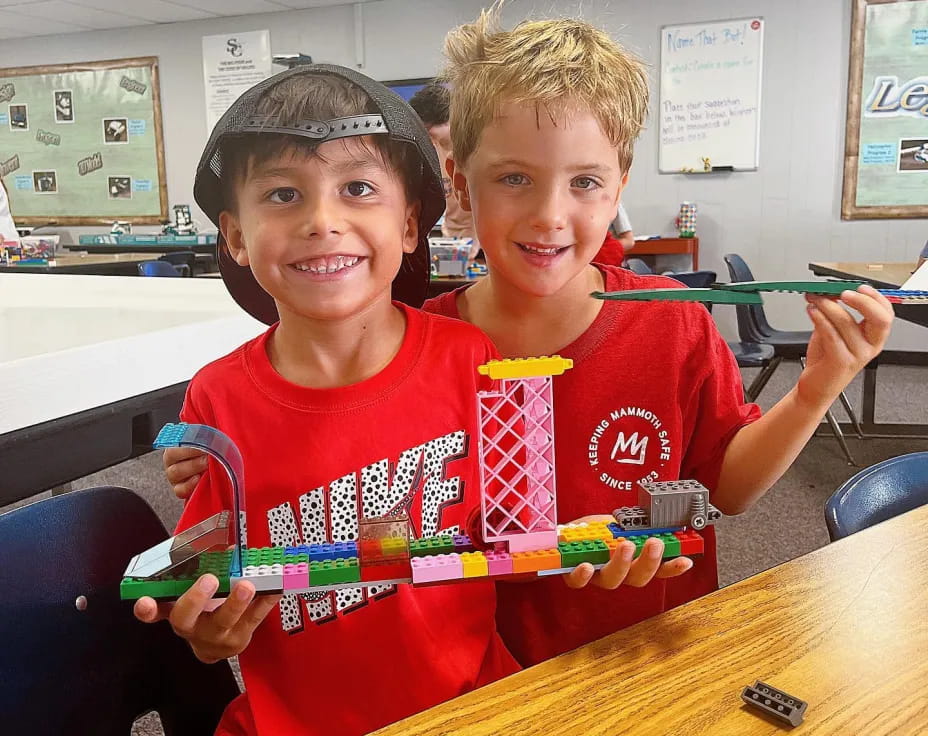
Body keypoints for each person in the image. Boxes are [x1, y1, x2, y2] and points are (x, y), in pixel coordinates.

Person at [422, 7, 894, 667]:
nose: (550, 215)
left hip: (654, 657)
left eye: (584, 182)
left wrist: (816, 388)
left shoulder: (671, 321)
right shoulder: (417, 347)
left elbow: (729, 490)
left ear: (619, 186)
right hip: (485, 675)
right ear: (461, 185)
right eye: (513, 178)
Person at [140, 65, 519, 735]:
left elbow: (517, 536)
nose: (322, 220)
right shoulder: (218, 396)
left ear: (408, 224)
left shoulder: (470, 360)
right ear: (234, 237)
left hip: (475, 708)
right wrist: (204, 631)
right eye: (283, 194)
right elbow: (201, 577)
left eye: (357, 189)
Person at [409, 82, 481, 262]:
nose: (425, 136)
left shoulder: (476, 149)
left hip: (482, 245)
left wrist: (479, 240)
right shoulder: (433, 150)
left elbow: (490, 203)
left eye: (428, 129)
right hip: (451, 241)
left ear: (450, 120)